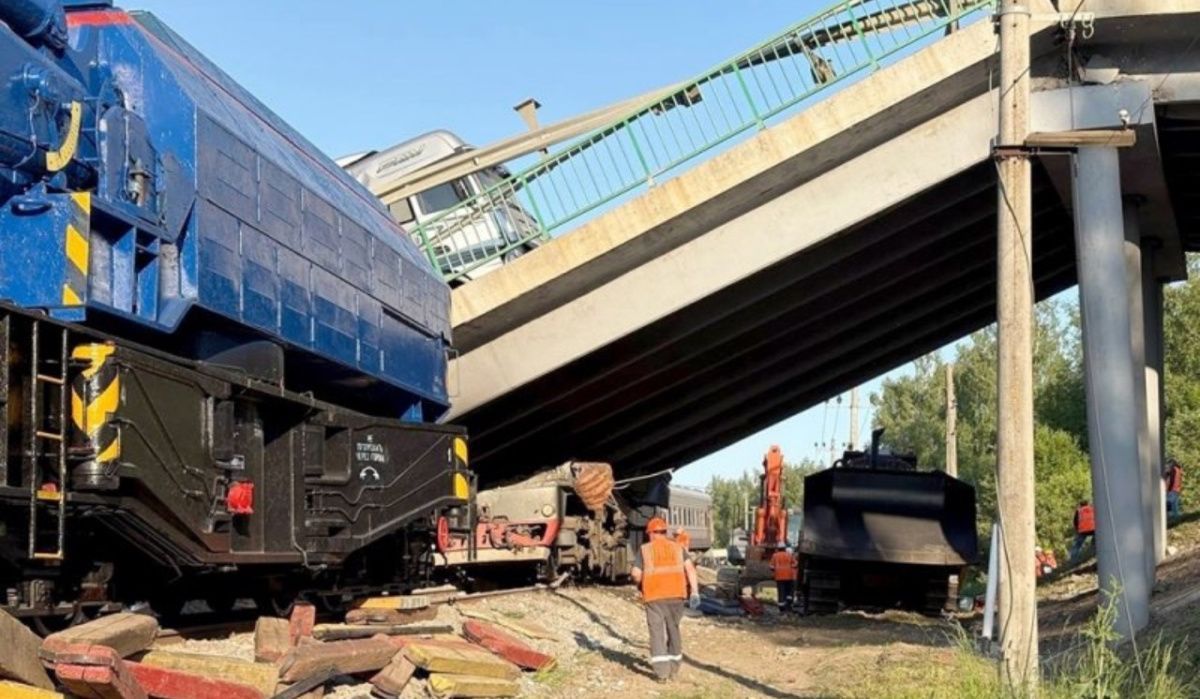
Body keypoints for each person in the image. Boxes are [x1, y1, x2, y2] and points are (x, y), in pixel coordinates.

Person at [631, 517, 700, 682]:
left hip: (654, 597)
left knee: (656, 633)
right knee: (673, 630)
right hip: (677, 596)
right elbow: (690, 569)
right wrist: (695, 592)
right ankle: (674, 669)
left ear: (651, 534)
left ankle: (662, 673)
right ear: (664, 532)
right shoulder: (678, 548)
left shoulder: (645, 550)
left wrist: (639, 584)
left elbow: (635, 573)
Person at [770, 543, 798, 611]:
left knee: (781, 591)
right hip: (789, 576)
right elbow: (795, 564)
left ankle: (781, 607)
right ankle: (788, 604)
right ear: (784, 548)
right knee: (788, 591)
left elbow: (771, 566)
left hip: (779, 577)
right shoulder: (789, 555)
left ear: (778, 548)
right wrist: (790, 567)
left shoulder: (775, 555)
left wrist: (775, 569)